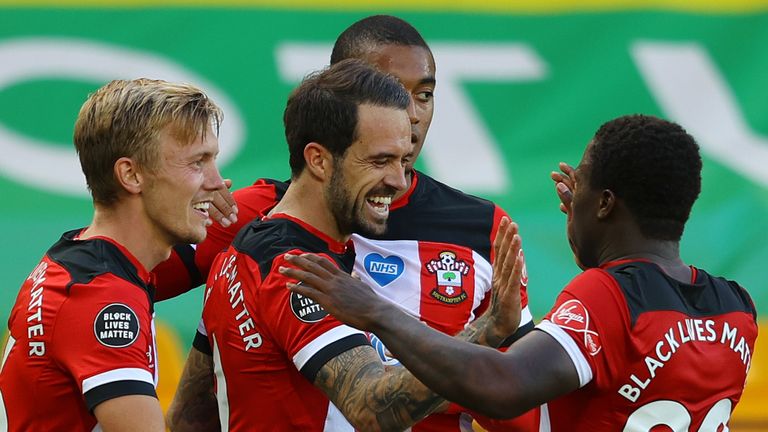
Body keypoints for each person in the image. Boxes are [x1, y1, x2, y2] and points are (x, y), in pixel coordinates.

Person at [159, 15, 536, 431]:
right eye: (379, 161)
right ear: (319, 158)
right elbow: (371, 408)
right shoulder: (280, 248)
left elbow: (522, 402)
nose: (410, 116)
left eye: (424, 94)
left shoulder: (482, 227)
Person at [283, 114, 759, 430]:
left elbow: (504, 387)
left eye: (584, 182)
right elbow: (629, 367)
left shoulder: (607, 296)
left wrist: (375, 311)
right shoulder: (737, 308)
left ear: (606, 204)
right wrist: (596, 237)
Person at [0, 78, 225, 431]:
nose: (217, 181)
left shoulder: (81, 261)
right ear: (131, 174)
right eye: (198, 163)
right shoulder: (102, 298)